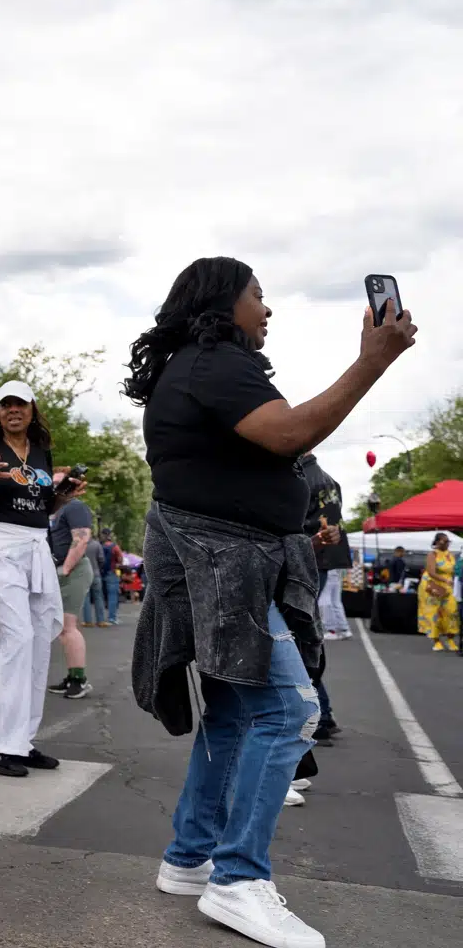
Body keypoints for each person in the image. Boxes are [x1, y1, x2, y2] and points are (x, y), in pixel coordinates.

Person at [129, 256, 414, 948]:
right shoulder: (216, 359)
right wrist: (371, 362)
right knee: (290, 708)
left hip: (220, 556)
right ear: (224, 302)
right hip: (220, 559)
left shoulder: (197, 364)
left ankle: (191, 856)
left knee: (231, 711)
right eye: (260, 296)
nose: (268, 308)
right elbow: (289, 434)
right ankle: (238, 878)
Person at [0, 380, 79, 779]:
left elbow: (43, 505)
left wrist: (65, 495)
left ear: (32, 409)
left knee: (39, 640)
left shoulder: (40, 451)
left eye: (19, 404)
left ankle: (20, 740)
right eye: (6, 405)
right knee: (12, 638)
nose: (13, 411)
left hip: (34, 547)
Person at [46, 493, 95, 700]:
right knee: (62, 629)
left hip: (73, 570)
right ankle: (72, 676)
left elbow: (82, 539)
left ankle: (79, 680)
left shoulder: (74, 507)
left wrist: (65, 569)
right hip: (63, 570)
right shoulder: (56, 511)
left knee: (67, 628)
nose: (54, 488)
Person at [302, 454, 353, 641]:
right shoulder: (332, 481)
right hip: (333, 551)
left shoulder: (302, 477)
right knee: (328, 599)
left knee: (309, 605)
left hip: (314, 552)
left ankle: (327, 631)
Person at [418, 533, 459, 651]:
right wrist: (445, 580)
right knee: (434, 613)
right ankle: (436, 641)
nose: (446, 544)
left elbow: (453, 570)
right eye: (444, 541)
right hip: (433, 585)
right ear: (436, 542)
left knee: (452, 611)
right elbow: (431, 572)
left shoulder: (450, 555)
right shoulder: (432, 554)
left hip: (448, 586)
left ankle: (450, 639)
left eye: (448, 542)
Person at [80, 534, 107, 627]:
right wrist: (98, 567)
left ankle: (88, 621)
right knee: (98, 597)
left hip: (84, 575)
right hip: (96, 573)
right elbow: (102, 559)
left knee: (86, 598)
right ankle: (101, 621)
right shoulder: (97, 545)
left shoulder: (79, 545)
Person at [98, 527, 123, 625]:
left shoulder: (99, 546)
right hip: (112, 573)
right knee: (112, 596)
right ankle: (112, 618)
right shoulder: (114, 547)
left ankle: (100, 619)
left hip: (100, 573)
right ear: (110, 535)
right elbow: (120, 559)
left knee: (100, 596)